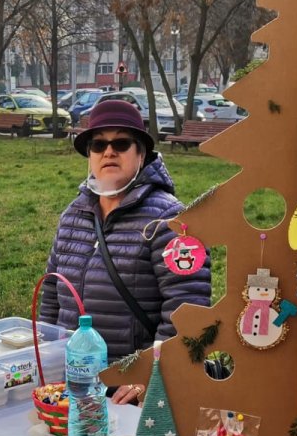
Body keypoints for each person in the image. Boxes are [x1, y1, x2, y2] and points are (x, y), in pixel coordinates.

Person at [37, 100, 211, 404]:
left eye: (121, 143)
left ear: (141, 153)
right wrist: (45, 361)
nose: (108, 151)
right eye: (98, 144)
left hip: (129, 393)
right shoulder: (73, 216)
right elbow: (51, 294)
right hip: (70, 385)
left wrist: (151, 377)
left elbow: (187, 310)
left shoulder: (171, 221)